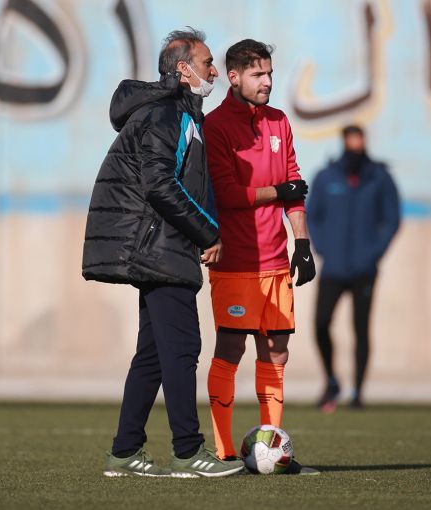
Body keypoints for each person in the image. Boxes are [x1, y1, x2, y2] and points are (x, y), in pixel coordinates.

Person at [82, 27, 244, 478]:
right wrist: (208, 233)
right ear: (184, 69)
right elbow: (159, 185)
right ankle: (189, 452)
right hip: (158, 248)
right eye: (208, 63)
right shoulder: (166, 114)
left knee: (153, 354)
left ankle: (124, 452)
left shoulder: (184, 114)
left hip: (162, 246)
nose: (215, 72)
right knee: (182, 348)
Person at [203, 39, 318, 474]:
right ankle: (223, 452)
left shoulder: (279, 121)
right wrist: (279, 191)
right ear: (233, 78)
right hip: (235, 262)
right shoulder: (216, 126)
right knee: (231, 346)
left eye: (269, 73)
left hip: (276, 261)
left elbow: (295, 185)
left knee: (276, 352)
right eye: (258, 74)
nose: (267, 81)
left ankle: (272, 447)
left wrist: (302, 244)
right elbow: (227, 194)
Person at [307, 125, 401, 412]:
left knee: (361, 329)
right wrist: (323, 248)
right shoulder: (326, 176)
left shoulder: (379, 177)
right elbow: (312, 216)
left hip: (364, 269)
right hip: (333, 267)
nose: (355, 146)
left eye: (359, 140)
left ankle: (358, 391)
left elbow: (392, 219)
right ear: (344, 142)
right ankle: (331, 381)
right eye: (351, 141)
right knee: (321, 323)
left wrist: (374, 253)